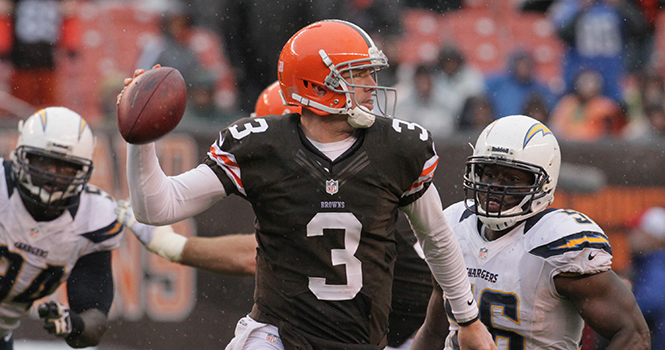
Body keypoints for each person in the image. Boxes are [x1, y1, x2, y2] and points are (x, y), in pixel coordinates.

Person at [120, 19, 496, 350]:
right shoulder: (262, 144)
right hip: (277, 334)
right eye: (359, 74)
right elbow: (158, 207)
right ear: (317, 85)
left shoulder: (396, 148)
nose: (372, 85)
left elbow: (438, 239)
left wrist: (468, 319)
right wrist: (141, 139)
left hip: (364, 338)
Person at [410, 115, 650, 349]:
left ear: (542, 184)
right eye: (490, 174)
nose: (495, 187)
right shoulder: (454, 226)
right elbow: (434, 330)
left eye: (512, 178)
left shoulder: (557, 243)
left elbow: (633, 334)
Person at [0, 107, 124, 349]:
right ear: (23, 156)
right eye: (43, 161)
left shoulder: (93, 220)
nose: (52, 175)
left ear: (83, 171)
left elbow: (94, 322)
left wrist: (74, 324)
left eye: (66, 167)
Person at [629, 206, 665, 349]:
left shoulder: (656, 267)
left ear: (651, 236)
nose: (631, 235)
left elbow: (649, 303)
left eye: (638, 231)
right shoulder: (646, 264)